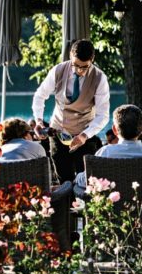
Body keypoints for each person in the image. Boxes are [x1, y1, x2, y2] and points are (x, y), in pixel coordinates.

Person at [32, 39, 110, 183]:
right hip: (58, 133)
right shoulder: (58, 70)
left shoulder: (100, 79)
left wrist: (84, 136)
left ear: (92, 60)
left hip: (85, 135)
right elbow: (39, 96)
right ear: (70, 56)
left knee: (87, 182)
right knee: (64, 181)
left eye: (84, 67)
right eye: (75, 65)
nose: (79, 70)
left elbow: (103, 116)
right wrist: (38, 120)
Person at [73, 104, 142, 198]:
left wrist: (77, 178)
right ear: (141, 129)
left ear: (115, 130)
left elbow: (86, 180)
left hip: (111, 217)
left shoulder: (105, 153)